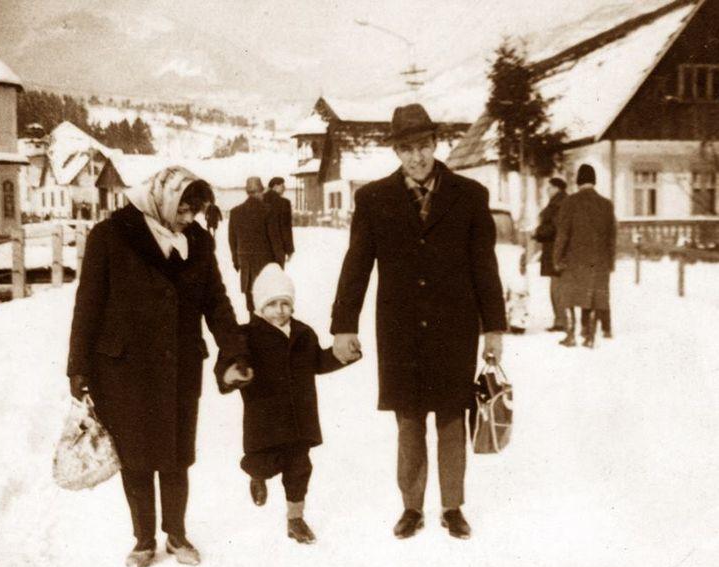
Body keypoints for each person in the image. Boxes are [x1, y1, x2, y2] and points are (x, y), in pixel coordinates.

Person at [330, 104, 506, 541]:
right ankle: (411, 507)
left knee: (451, 415)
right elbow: (357, 264)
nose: (417, 158)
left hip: (454, 326)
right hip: (400, 328)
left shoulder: (470, 195)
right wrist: (343, 324)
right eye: (407, 149)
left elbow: (485, 266)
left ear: (435, 144)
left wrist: (494, 327)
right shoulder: (373, 199)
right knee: (408, 419)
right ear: (396, 151)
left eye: (423, 146)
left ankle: (452, 506)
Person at [67, 166, 253, 567]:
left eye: (195, 213)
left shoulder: (198, 242)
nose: (188, 220)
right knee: (135, 458)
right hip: (124, 367)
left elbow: (217, 302)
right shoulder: (110, 235)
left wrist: (234, 350)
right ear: (164, 199)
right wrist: (77, 368)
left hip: (179, 363)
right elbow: (88, 304)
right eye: (184, 210)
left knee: (175, 454)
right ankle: (143, 540)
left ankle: (177, 534)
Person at [215, 263, 356, 544]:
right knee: (264, 462)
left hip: (299, 418)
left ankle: (295, 519)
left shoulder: (304, 334)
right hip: (264, 420)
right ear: (259, 307)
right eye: (272, 304)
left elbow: (318, 362)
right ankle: (257, 476)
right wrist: (231, 375)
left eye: (285, 303)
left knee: (299, 468)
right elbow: (225, 368)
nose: (280, 310)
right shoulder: (245, 337)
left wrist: (341, 357)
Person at [553, 164, 617, 348]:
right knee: (595, 297)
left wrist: (557, 259)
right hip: (600, 261)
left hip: (574, 260)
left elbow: (563, 234)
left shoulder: (570, 202)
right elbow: (612, 236)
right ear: (594, 181)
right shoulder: (606, 204)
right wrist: (610, 262)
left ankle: (571, 335)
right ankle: (590, 337)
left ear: (578, 180)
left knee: (569, 296)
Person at [228, 176, 285, 313]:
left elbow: (232, 240)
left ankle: (253, 328)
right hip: (266, 266)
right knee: (267, 302)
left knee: (251, 303)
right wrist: (280, 265)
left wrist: (236, 261)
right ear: (260, 192)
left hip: (246, 265)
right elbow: (275, 241)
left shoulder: (235, 212)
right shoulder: (268, 211)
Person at [532, 177, 568, 332]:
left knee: (557, 286)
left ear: (556, 188)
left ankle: (561, 321)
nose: (547, 190)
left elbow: (554, 227)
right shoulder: (559, 202)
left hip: (556, 249)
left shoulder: (558, 204)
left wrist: (538, 233)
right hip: (556, 249)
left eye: (549, 188)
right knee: (557, 285)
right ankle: (561, 319)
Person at [262, 176, 295, 264]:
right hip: (278, 248)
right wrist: (289, 249)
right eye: (282, 186)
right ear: (275, 186)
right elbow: (286, 228)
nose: (285, 188)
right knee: (277, 275)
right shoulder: (284, 203)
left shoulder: (261, 200)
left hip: (261, 249)